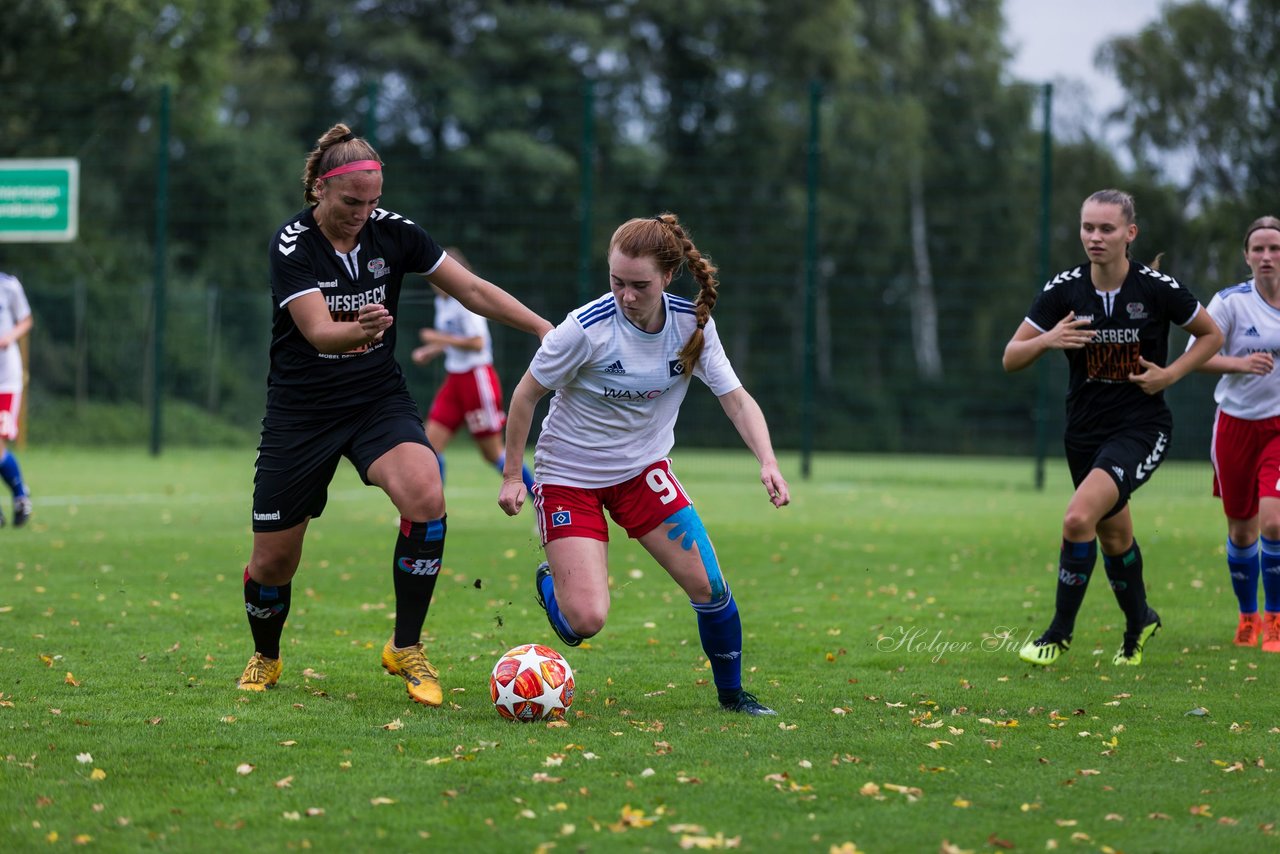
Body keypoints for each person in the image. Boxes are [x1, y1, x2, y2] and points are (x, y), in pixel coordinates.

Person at [237, 123, 553, 705]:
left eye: (373, 201)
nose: (363, 212)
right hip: (301, 414)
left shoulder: (395, 233)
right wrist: (354, 329)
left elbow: (473, 291)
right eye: (351, 202)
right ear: (320, 193)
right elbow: (317, 333)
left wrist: (542, 329)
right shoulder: (292, 245)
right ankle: (267, 653)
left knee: (426, 493)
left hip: (376, 400)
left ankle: (405, 645)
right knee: (274, 561)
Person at [497, 212, 790, 716]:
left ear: (667, 277)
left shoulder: (691, 326)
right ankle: (553, 584)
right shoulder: (584, 331)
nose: (625, 296)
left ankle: (733, 697)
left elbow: (736, 399)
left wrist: (767, 460)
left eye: (639, 285)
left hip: (642, 472)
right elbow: (525, 396)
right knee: (584, 621)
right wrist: (511, 475)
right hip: (569, 478)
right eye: (616, 282)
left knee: (710, 585)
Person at [1003, 188, 1222, 667]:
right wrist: (1049, 340)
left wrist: (1171, 374)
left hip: (1141, 427)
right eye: (1088, 227)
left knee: (1078, 518)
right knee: (1114, 537)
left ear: (1130, 233)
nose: (1095, 237)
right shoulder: (1063, 289)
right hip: (1083, 431)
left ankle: (1057, 636)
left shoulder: (1156, 287)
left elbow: (1212, 334)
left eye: (1106, 228)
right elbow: (1010, 356)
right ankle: (1139, 621)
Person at [1187, 216, 1280, 651]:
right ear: (1246, 256)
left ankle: (1275, 620)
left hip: (1278, 427)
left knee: (1274, 523)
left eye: (1274, 249)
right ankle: (1248, 618)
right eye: (1258, 249)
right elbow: (1194, 358)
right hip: (1235, 425)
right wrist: (1241, 364)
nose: (1266, 256)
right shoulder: (1230, 303)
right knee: (1242, 533)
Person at [411, 246, 534, 496]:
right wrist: (432, 349)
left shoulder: (465, 301)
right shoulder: (441, 301)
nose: (433, 281)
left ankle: (539, 500)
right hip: (455, 379)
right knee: (430, 448)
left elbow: (477, 342)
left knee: (493, 453)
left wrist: (439, 338)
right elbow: (455, 338)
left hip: (477, 379)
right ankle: (432, 510)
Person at [0, 270, 34, 528]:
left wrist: (9, 337)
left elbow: (26, 319)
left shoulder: (8, 285)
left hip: (5, 379)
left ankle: (20, 494)